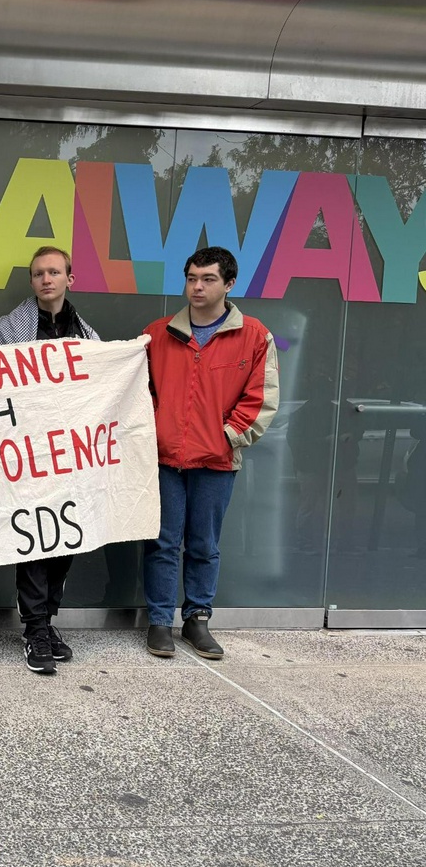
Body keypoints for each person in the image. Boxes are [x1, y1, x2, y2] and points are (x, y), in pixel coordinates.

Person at [142, 246, 279, 659]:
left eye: (208, 279)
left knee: (204, 544)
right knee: (163, 543)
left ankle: (197, 619)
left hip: (217, 461)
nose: (196, 287)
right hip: (165, 459)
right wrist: (151, 432)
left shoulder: (255, 335)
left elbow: (261, 397)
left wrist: (228, 437)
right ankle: (160, 621)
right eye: (191, 278)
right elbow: (139, 392)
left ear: (229, 284)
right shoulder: (158, 333)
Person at [0, 245, 100, 675]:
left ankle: (47, 621)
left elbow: (100, 390)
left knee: (64, 536)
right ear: (31, 282)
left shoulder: (89, 336)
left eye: (54, 272)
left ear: (71, 278)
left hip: (71, 457)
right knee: (33, 538)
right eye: (38, 274)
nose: (45, 279)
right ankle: (34, 629)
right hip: (26, 456)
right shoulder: (9, 330)